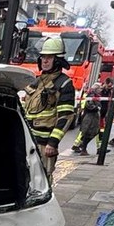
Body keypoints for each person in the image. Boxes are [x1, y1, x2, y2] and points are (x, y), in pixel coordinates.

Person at [22, 36, 76, 174]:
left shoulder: (64, 83)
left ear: (57, 60)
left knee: (43, 178)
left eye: (49, 57)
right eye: (43, 57)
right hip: (28, 139)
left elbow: (66, 116)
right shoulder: (37, 81)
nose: (45, 60)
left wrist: (53, 143)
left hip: (45, 143)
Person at [71, 82, 105, 156]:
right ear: (96, 89)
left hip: (94, 117)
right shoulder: (92, 95)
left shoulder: (96, 95)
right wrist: (97, 108)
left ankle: (82, 146)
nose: (100, 90)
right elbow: (89, 105)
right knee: (88, 133)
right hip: (90, 117)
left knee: (93, 132)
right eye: (99, 89)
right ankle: (83, 148)